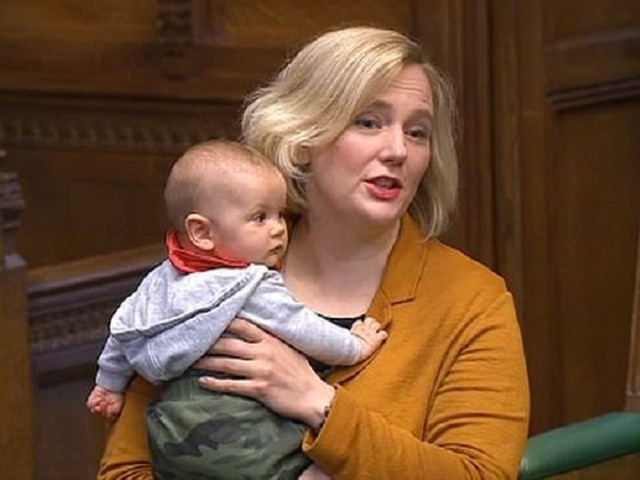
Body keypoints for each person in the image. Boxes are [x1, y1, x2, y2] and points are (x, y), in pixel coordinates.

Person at [98, 26, 530, 480]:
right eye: (368, 122)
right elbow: (124, 469)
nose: (399, 150)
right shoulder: (215, 271)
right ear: (302, 139)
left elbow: (478, 475)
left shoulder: (473, 301)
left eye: (417, 132)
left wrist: (318, 403)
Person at [88, 140, 387, 479]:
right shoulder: (251, 285)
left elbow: (125, 331)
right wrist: (355, 346)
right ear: (201, 231)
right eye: (260, 217)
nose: (278, 228)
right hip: (244, 443)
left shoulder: (161, 281)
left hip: (174, 443)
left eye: (280, 214)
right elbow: (306, 330)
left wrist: (109, 385)